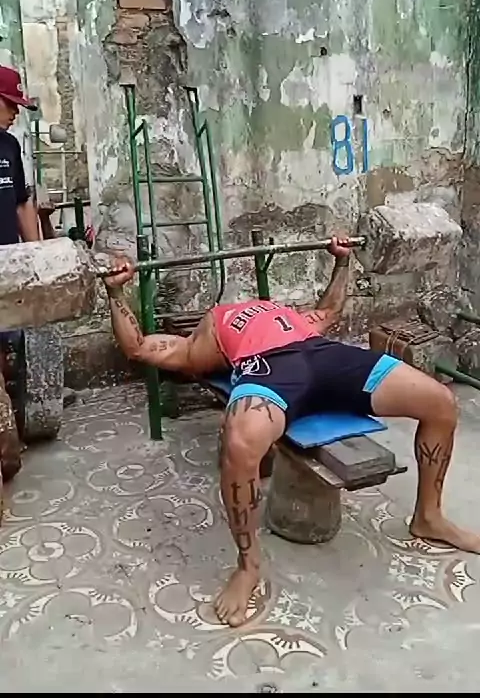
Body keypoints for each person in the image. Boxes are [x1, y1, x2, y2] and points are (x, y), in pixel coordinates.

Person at [103, 236, 480, 629]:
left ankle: (429, 516)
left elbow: (330, 310)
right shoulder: (207, 334)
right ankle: (248, 567)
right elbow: (139, 347)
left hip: (323, 354)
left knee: (440, 402)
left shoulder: (288, 315)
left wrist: (342, 261)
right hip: (267, 369)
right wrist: (116, 292)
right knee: (239, 441)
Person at [0, 66, 41, 488]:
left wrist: (38, 256)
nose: (15, 113)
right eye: (10, 104)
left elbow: (22, 204)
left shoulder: (10, 146)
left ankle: (7, 432)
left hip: (9, 270)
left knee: (7, 347)